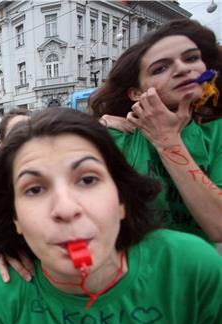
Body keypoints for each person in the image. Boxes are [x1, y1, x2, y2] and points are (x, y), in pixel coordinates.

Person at [0, 108, 221, 324]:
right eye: (34, 189)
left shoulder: (188, 268)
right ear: (16, 218)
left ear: (121, 197)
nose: (66, 209)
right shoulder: (0, 291)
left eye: (87, 179)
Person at [89, 19, 222, 243]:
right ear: (136, 93)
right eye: (160, 68)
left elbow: (218, 225)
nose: (182, 69)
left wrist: (168, 141)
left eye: (191, 58)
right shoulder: (116, 135)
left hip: (197, 274)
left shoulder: (217, 133)